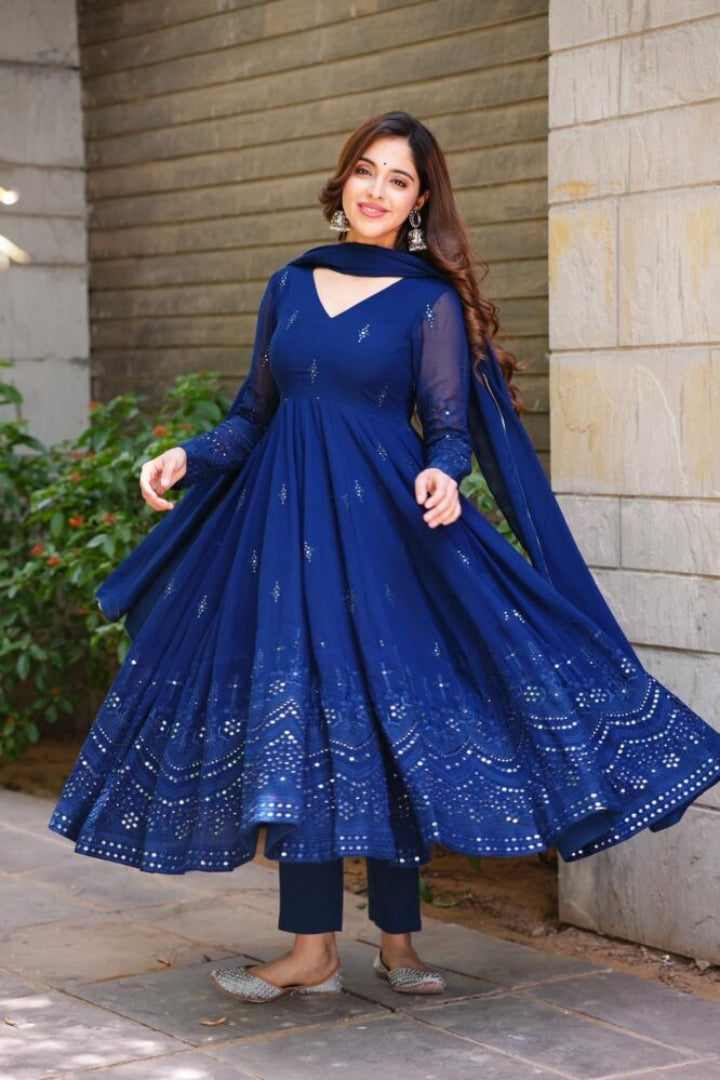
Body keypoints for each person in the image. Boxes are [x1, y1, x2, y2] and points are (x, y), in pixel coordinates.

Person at [48, 111, 720, 1005]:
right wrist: (187, 455)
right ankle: (312, 951)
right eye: (366, 170)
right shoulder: (291, 284)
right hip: (286, 537)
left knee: (389, 720)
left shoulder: (427, 300)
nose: (376, 190)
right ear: (344, 180)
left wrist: (445, 474)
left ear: (420, 201)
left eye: (398, 179)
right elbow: (252, 416)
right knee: (306, 723)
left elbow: (447, 429)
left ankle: (400, 940)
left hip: (389, 539)